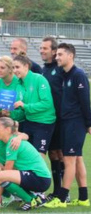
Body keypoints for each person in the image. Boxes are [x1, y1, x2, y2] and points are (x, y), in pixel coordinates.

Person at [45, 43, 91, 208]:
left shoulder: (78, 75)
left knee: (69, 160)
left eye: (60, 55)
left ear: (70, 56)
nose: (57, 57)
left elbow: (85, 101)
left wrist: (88, 123)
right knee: (77, 159)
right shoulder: (65, 76)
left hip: (75, 122)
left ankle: (62, 198)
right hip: (67, 122)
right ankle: (84, 198)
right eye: (56, 55)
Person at [0, 117, 51, 211]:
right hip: (41, 178)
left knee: (0, 175)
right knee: (1, 174)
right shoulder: (14, 140)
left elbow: (5, 174)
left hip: (40, 178)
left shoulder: (12, 143)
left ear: (8, 129)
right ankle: (35, 198)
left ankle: (30, 200)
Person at [13, 54, 56, 155]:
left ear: (26, 66)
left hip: (44, 122)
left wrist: (25, 106)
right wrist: (9, 113)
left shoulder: (39, 79)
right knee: (27, 155)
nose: (15, 70)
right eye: (13, 67)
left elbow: (47, 103)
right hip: (29, 121)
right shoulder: (18, 84)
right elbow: (21, 111)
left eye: (17, 67)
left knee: (39, 156)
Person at [40, 37, 65, 201]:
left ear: (54, 51)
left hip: (62, 118)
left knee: (61, 154)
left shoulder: (61, 69)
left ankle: (65, 192)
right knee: (52, 154)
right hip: (49, 119)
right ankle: (56, 192)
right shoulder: (44, 70)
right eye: (41, 48)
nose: (42, 51)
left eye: (45, 48)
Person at [0, 56, 25, 123]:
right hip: (2, 120)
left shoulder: (19, 83)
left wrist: (11, 113)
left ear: (10, 69)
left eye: (2, 68)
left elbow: (23, 110)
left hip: (19, 121)